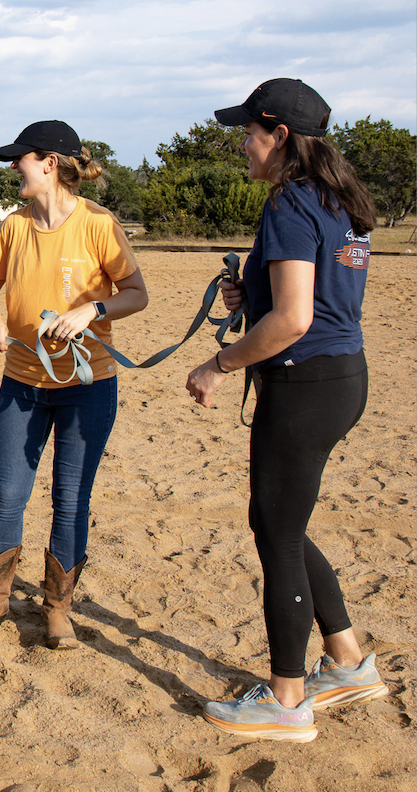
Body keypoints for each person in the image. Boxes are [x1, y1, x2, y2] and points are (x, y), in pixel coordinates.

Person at [186, 79, 388, 742]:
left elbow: (297, 319)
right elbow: (321, 294)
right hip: (343, 377)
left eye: (248, 132)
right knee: (286, 523)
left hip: (304, 381)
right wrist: (254, 294)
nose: (241, 144)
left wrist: (218, 364)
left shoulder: (291, 202)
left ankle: (286, 700)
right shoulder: (344, 201)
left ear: (279, 136)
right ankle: (348, 660)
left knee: (275, 533)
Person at [0, 120, 148, 648]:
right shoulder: (14, 227)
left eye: (19, 159)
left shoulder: (98, 223)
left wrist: (94, 309)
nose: (12, 168)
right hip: (21, 384)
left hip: (88, 387)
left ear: (48, 163)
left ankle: (58, 608)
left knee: (70, 499)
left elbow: (137, 293)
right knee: (7, 496)